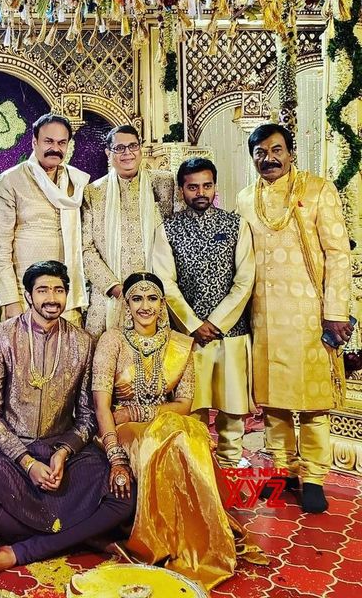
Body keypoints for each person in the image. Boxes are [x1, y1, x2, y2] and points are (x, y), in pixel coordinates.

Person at [0, 261, 135, 578]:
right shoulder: (4, 336)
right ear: (28, 295)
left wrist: (63, 452)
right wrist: (28, 464)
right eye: (43, 290)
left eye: (59, 290)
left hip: (60, 446)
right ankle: (74, 537)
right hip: (8, 449)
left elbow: (88, 418)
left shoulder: (82, 341)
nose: (52, 298)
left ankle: (23, 548)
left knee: (123, 499)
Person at [92, 272, 245, 590]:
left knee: (186, 436)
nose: (145, 306)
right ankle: (166, 541)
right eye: (137, 298)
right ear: (127, 304)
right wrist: (115, 453)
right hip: (126, 431)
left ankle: (191, 543)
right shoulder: (112, 340)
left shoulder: (179, 344)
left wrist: (137, 410)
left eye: (152, 299)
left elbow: (185, 404)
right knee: (172, 438)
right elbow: (102, 405)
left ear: (162, 305)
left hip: (164, 422)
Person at [236, 123, 352, 513]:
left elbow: (338, 254)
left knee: (314, 399)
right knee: (274, 400)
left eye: (276, 150)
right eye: (260, 152)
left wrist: (336, 313)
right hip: (264, 314)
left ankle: (315, 475)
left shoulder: (317, 190)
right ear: (251, 156)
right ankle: (283, 467)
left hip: (310, 314)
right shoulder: (245, 198)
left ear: (290, 152)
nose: (269, 158)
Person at [152, 157, 255, 467]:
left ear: (215, 187)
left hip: (231, 332)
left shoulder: (235, 224)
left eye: (206, 185)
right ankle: (196, 467)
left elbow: (245, 280)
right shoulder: (167, 229)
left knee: (232, 405)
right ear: (182, 190)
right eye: (192, 186)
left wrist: (216, 321)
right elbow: (164, 282)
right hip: (188, 336)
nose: (200, 192)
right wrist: (195, 324)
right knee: (191, 404)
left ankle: (229, 463)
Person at [0, 113, 89, 326]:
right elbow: (0, 247)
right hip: (25, 295)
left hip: (65, 297)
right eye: (48, 141)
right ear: (34, 142)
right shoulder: (10, 181)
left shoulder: (76, 182)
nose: (55, 148)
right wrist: (10, 300)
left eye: (62, 143)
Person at [82, 125, 176, 337]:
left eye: (133, 146)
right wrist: (115, 287)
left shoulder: (163, 183)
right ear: (109, 153)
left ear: (140, 148)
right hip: (108, 296)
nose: (127, 153)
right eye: (120, 148)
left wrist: (149, 292)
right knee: (105, 361)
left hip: (152, 295)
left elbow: (173, 236)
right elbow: (85, 248)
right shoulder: (93, 191)